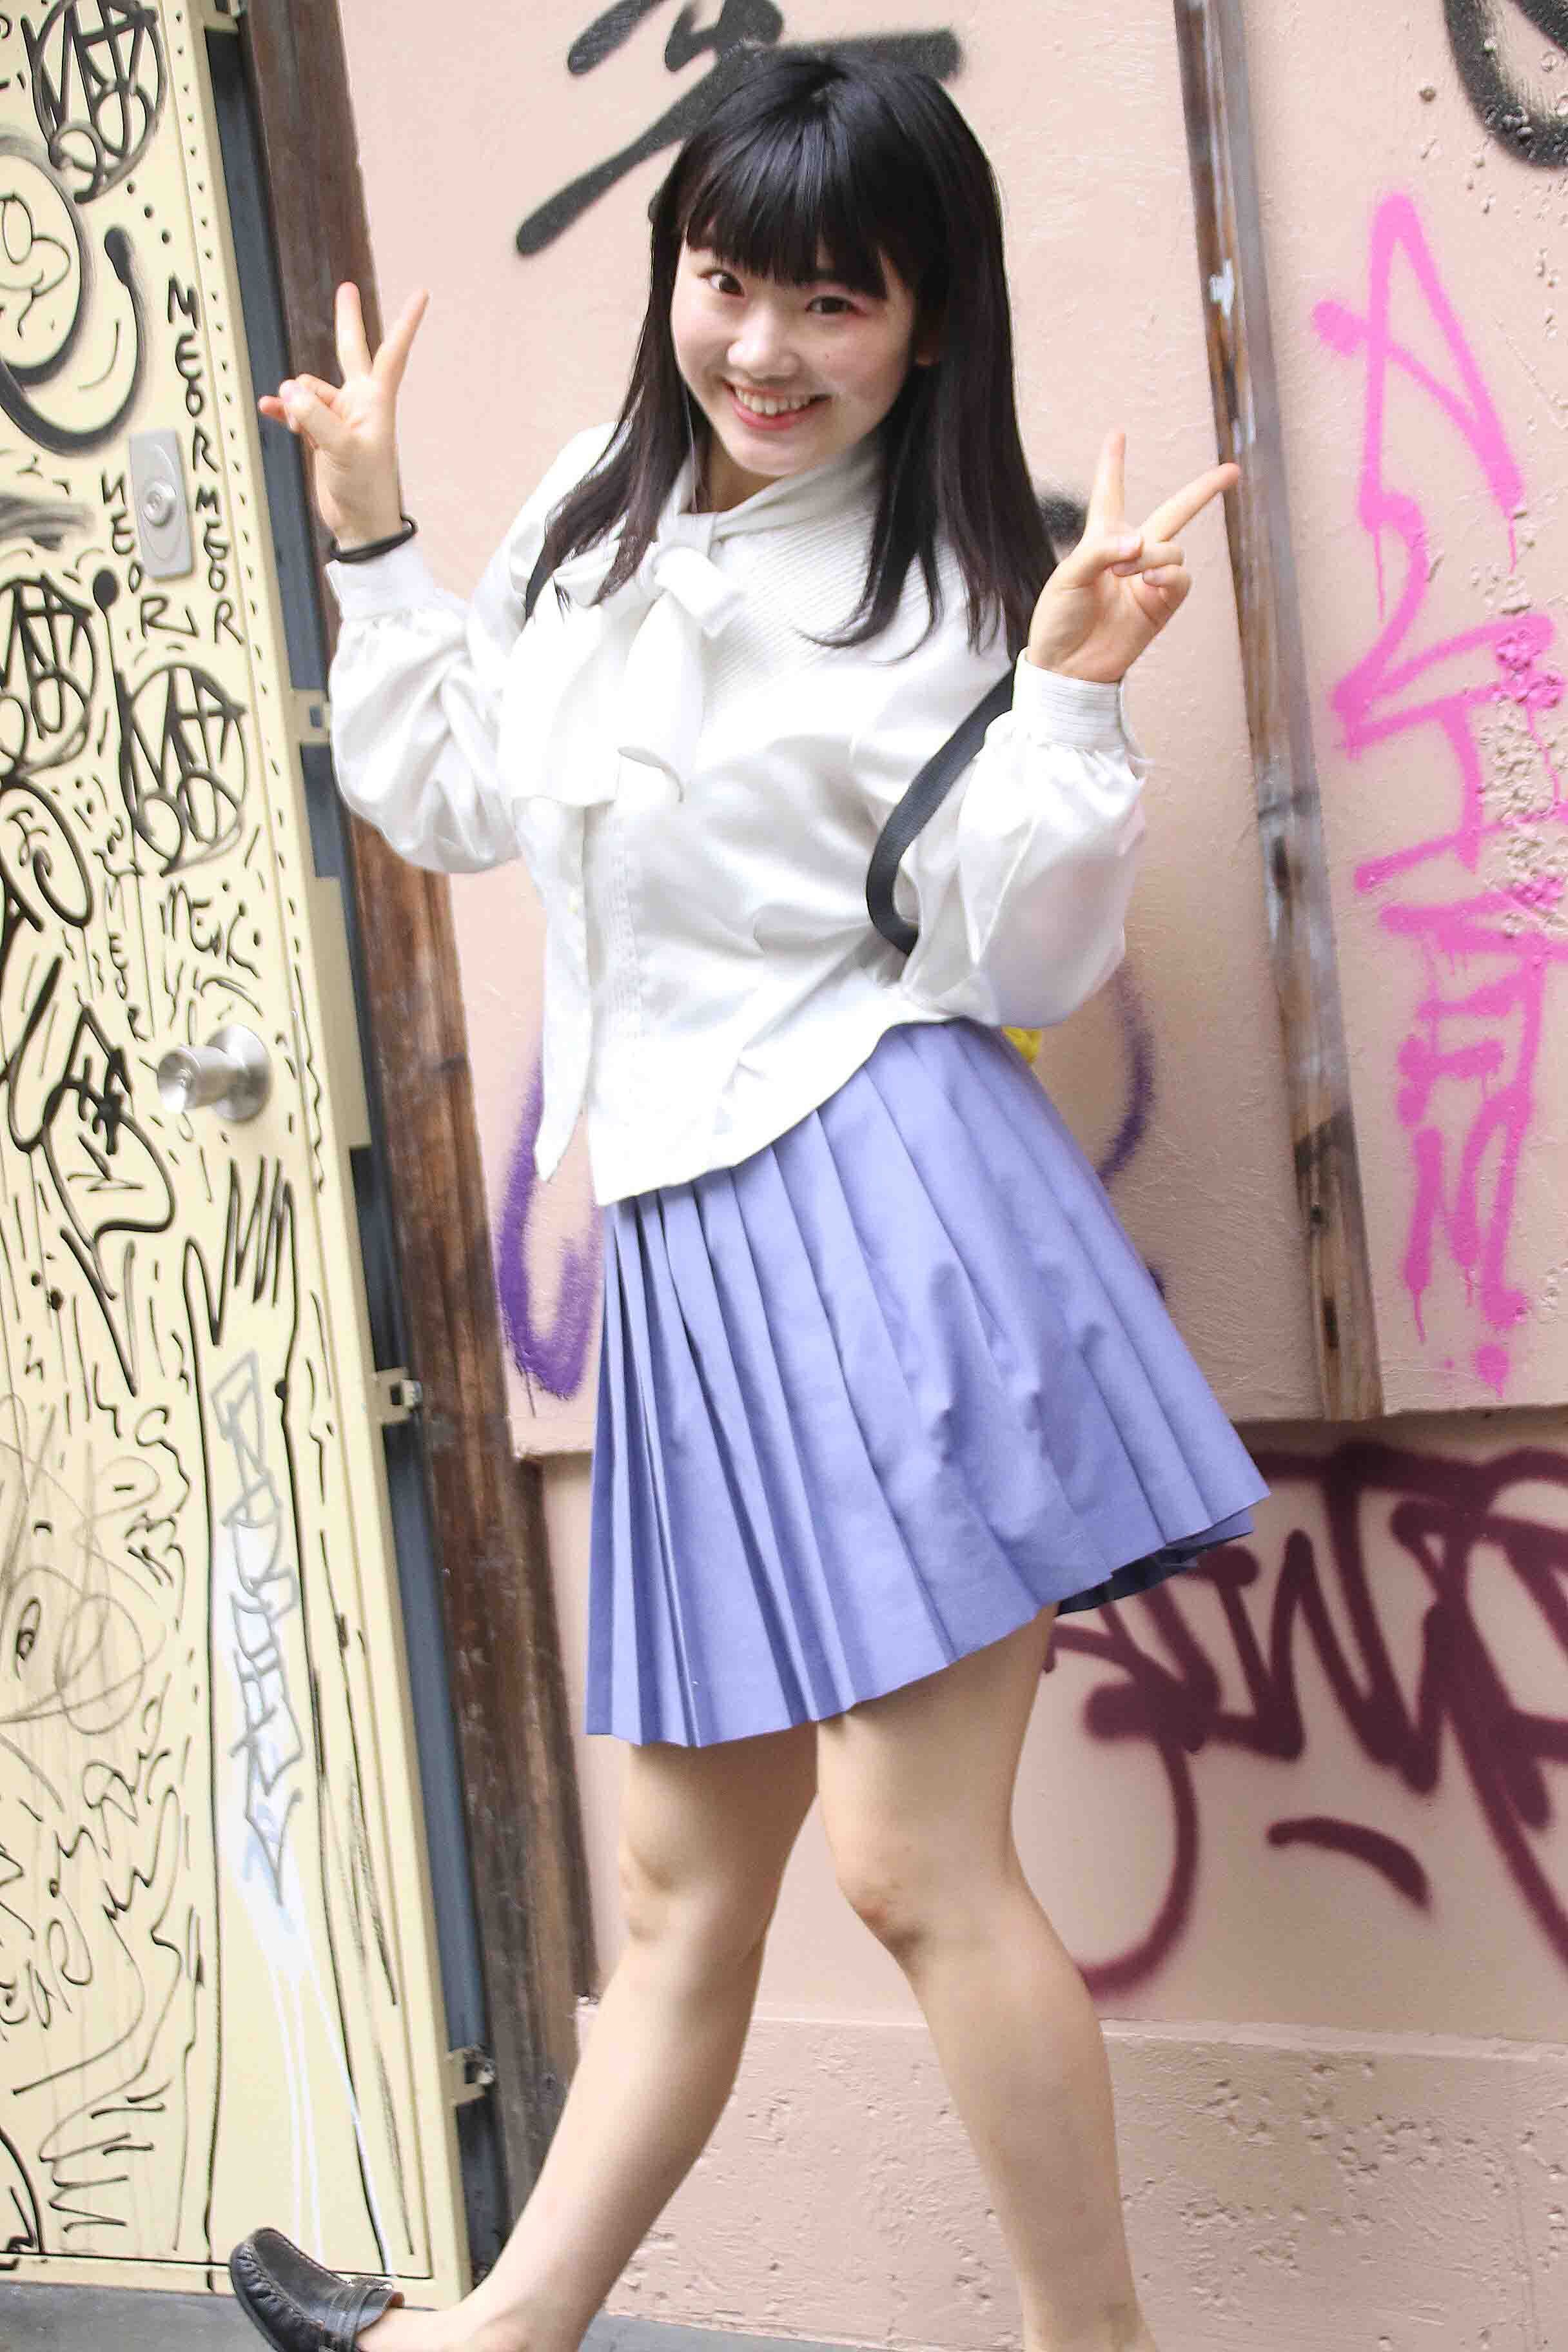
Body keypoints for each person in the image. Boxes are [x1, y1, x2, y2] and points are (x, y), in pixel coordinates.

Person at [230, 48, 1269, 2352]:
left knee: (911, 1866)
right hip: (691, 1248)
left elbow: (1022, 959)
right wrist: (379, 540)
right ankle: (502, 2342)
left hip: (889, 1203)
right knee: (685, 1888)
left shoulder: (963, 580)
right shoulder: (599, 505)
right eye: (726, 281)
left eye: (833, 298)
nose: (764, 348)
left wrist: (1068, 702)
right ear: (674, 276)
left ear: (928, 314)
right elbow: (458, 801)